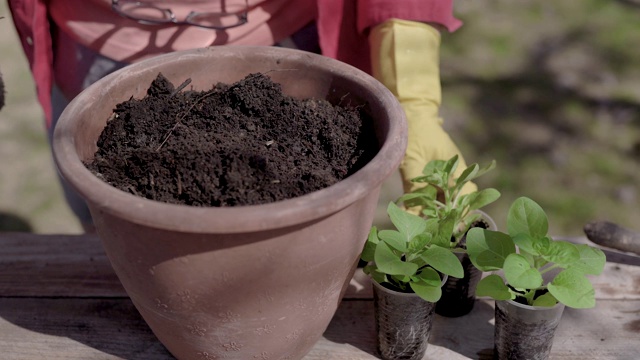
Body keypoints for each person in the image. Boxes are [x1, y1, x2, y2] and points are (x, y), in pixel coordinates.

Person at [8, 0, 475, 232]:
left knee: (299, 230)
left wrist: (414, 99)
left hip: (284, 43)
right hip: (100, 52)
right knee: (113, 220)